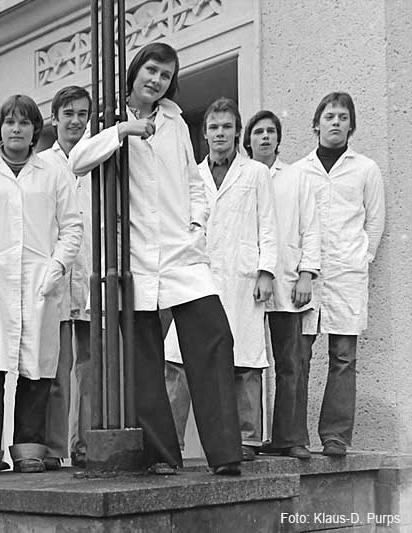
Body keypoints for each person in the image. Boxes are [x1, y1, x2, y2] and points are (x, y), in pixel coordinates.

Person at [69, 43, 243, 476]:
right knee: (143, 361)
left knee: (214, 338)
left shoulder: (175, 122)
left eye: (165, 75)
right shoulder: (107, 119)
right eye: (151, 70)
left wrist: (197, 223)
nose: (157, 81)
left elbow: (192, 179)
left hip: (181, 251)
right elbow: (78, 161)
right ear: (135, 72)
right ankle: (163, 456)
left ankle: (226, 454)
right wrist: (122, 131)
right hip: (135, 256)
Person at [0, 94, 83, 478]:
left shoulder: (52, 174)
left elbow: (72, 225)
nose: (17, 129)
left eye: (24, 122)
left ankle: (29, 449)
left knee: (36, 371)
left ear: (35, 130)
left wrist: (57, 265)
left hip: (39, 281)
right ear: (0, 128)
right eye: (10, 122)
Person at [165, 98, 278, 462]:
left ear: (237, 132)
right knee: (177, 356)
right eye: (214, 127)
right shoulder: (193, 175)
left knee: (245, 358)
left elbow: (268, 225)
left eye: (227, 127)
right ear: (205, 133)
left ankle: (247, 438)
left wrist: (266, 271)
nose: (220, 133)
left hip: (243, 276)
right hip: (199, 275)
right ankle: (169, 442)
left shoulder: (256, 173)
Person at [293, 92, 385, 456]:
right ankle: (293, 436)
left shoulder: (366, 169)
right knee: (298, 356)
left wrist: (362, 258)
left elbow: (374, 221)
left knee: (344, 357)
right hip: (307, 276)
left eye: (343, 117)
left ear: (351, 126)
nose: (336, 122)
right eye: (329, 116)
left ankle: (335, 436)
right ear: (316, 124)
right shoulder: (299, 171)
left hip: (347, 275)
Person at [243, 110, 320, 460]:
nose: (265, 137)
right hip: (248, 284)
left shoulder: (296, 177)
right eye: (258, 131)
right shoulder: (241, 176)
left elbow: (311, 228)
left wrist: (306, 274)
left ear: (278, 139)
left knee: (291, 362)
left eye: (270, 131)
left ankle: (290, 438)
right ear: (248, 140)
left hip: (288, 284)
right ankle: (247, 437)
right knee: (247, 363)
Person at [37, 86, 93, 470]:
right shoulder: (42, 165)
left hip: (90, 275)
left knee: (90, 369)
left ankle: (85, 445)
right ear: (54, 117)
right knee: (55, 367)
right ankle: (53, 448)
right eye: (68, 113)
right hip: (54, 277)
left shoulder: (100, 157)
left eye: (82, 114)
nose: (76, 121)